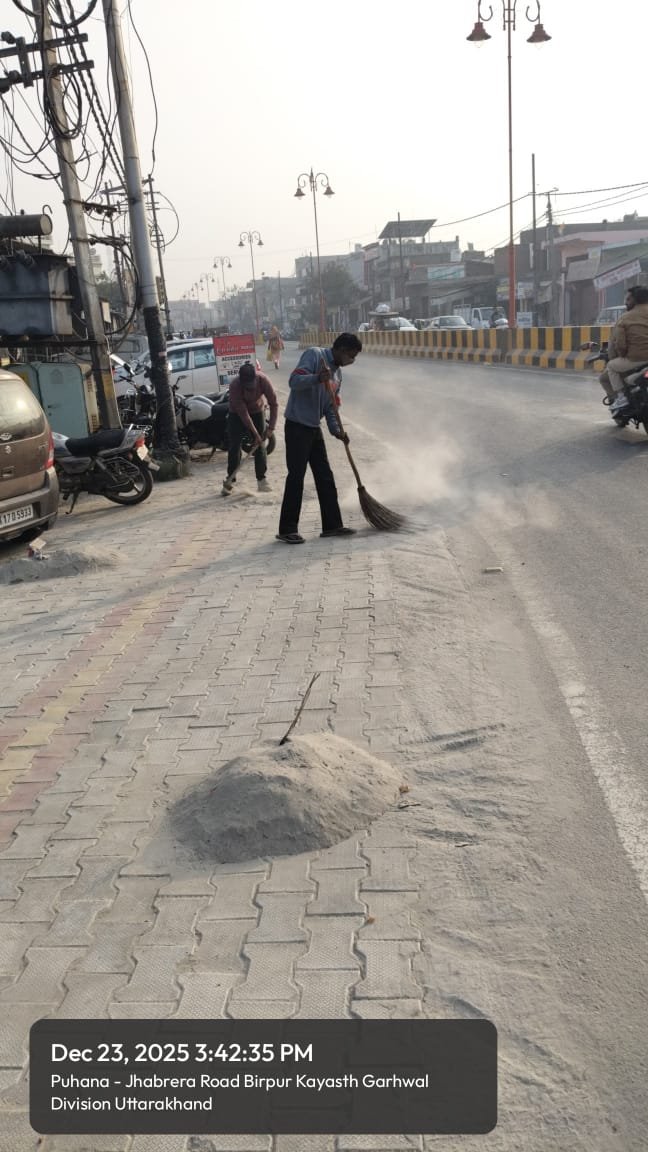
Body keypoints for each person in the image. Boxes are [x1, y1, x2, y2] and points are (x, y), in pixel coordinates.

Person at [276, 332, 362, 544]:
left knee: (325, 476)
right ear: (341, 350)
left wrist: (337, 431)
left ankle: (332, 525)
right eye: (351, 356)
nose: (352, 361)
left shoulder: (337, 376)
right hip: (297, 426)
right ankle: (287, 529)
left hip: (314, 428)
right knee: (296, 477)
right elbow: (294, 381)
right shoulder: (315, 356)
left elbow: (330, 408)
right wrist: (316, 378)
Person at [223, 361, 278, 496]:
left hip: (257, 411)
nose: (251, 389)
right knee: (235, 446)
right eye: (247, 387)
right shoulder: (235, 386)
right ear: (241, 381)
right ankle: (231, 479)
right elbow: (244, 414)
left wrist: (270, 428)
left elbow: (274, 403)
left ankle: (262, 480)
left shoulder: (263, 380)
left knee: (260, 447)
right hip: (237, 414)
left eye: (252, 386)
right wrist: (256, 434)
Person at [608, 286, 648, 413]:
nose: (626, 302)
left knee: (611, 366)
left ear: (635, 300)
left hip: (636, 358)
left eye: (628, 299)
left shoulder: (625, 318)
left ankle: (621, 398)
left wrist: (622, 355)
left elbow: (620, 344)